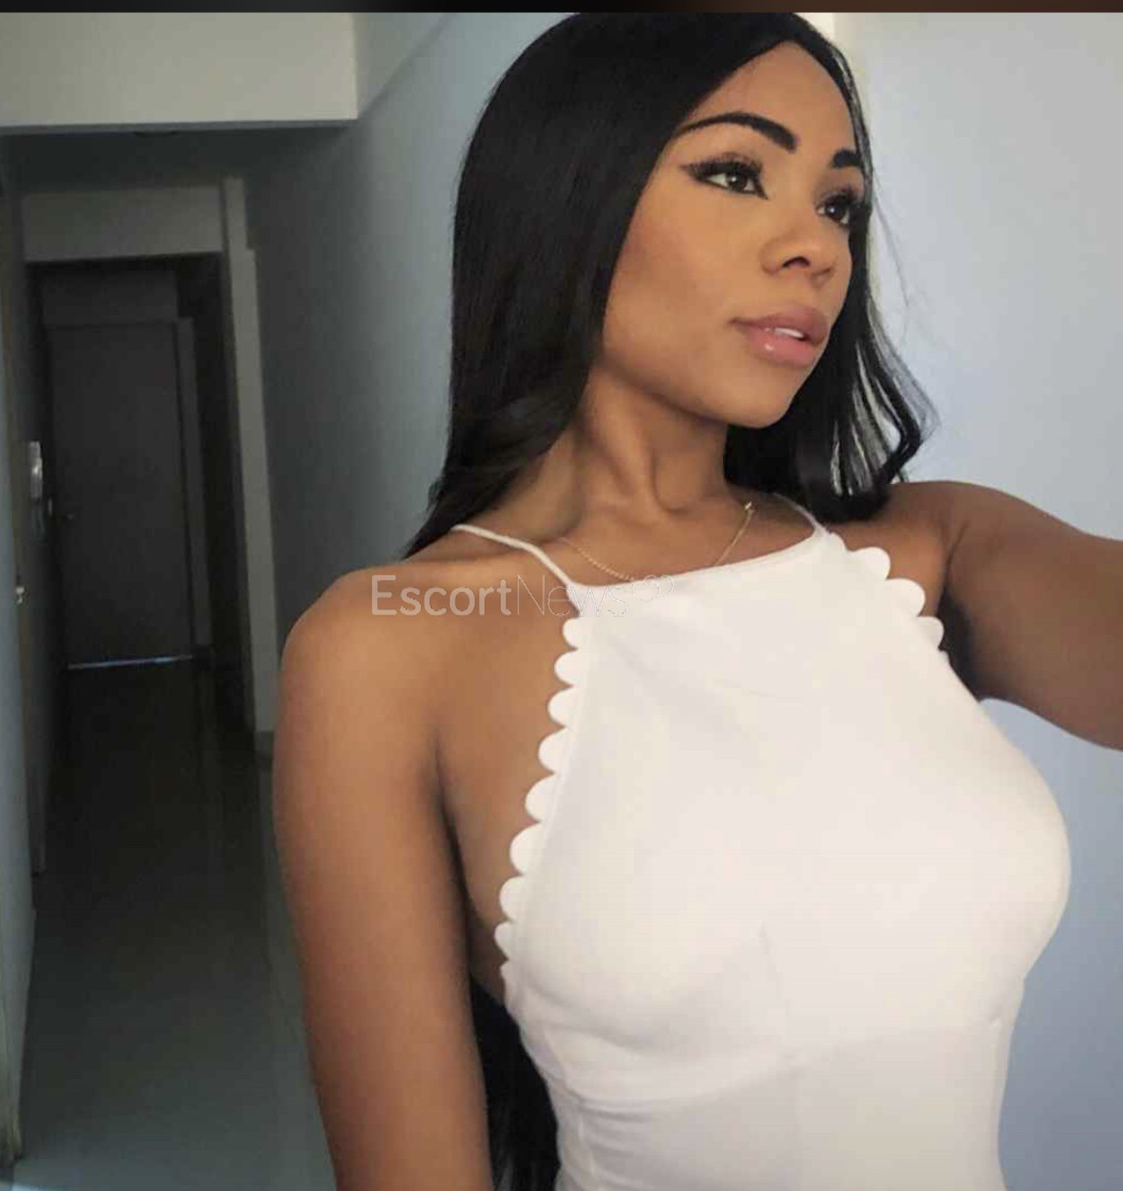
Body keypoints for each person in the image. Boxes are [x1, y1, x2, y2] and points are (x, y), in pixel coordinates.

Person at [272, 14, 1120, 1191]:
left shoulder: (931, 552)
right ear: (568, 199)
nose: (816, 247)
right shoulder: (383, 650)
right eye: (734, 173)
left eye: (840, 204)